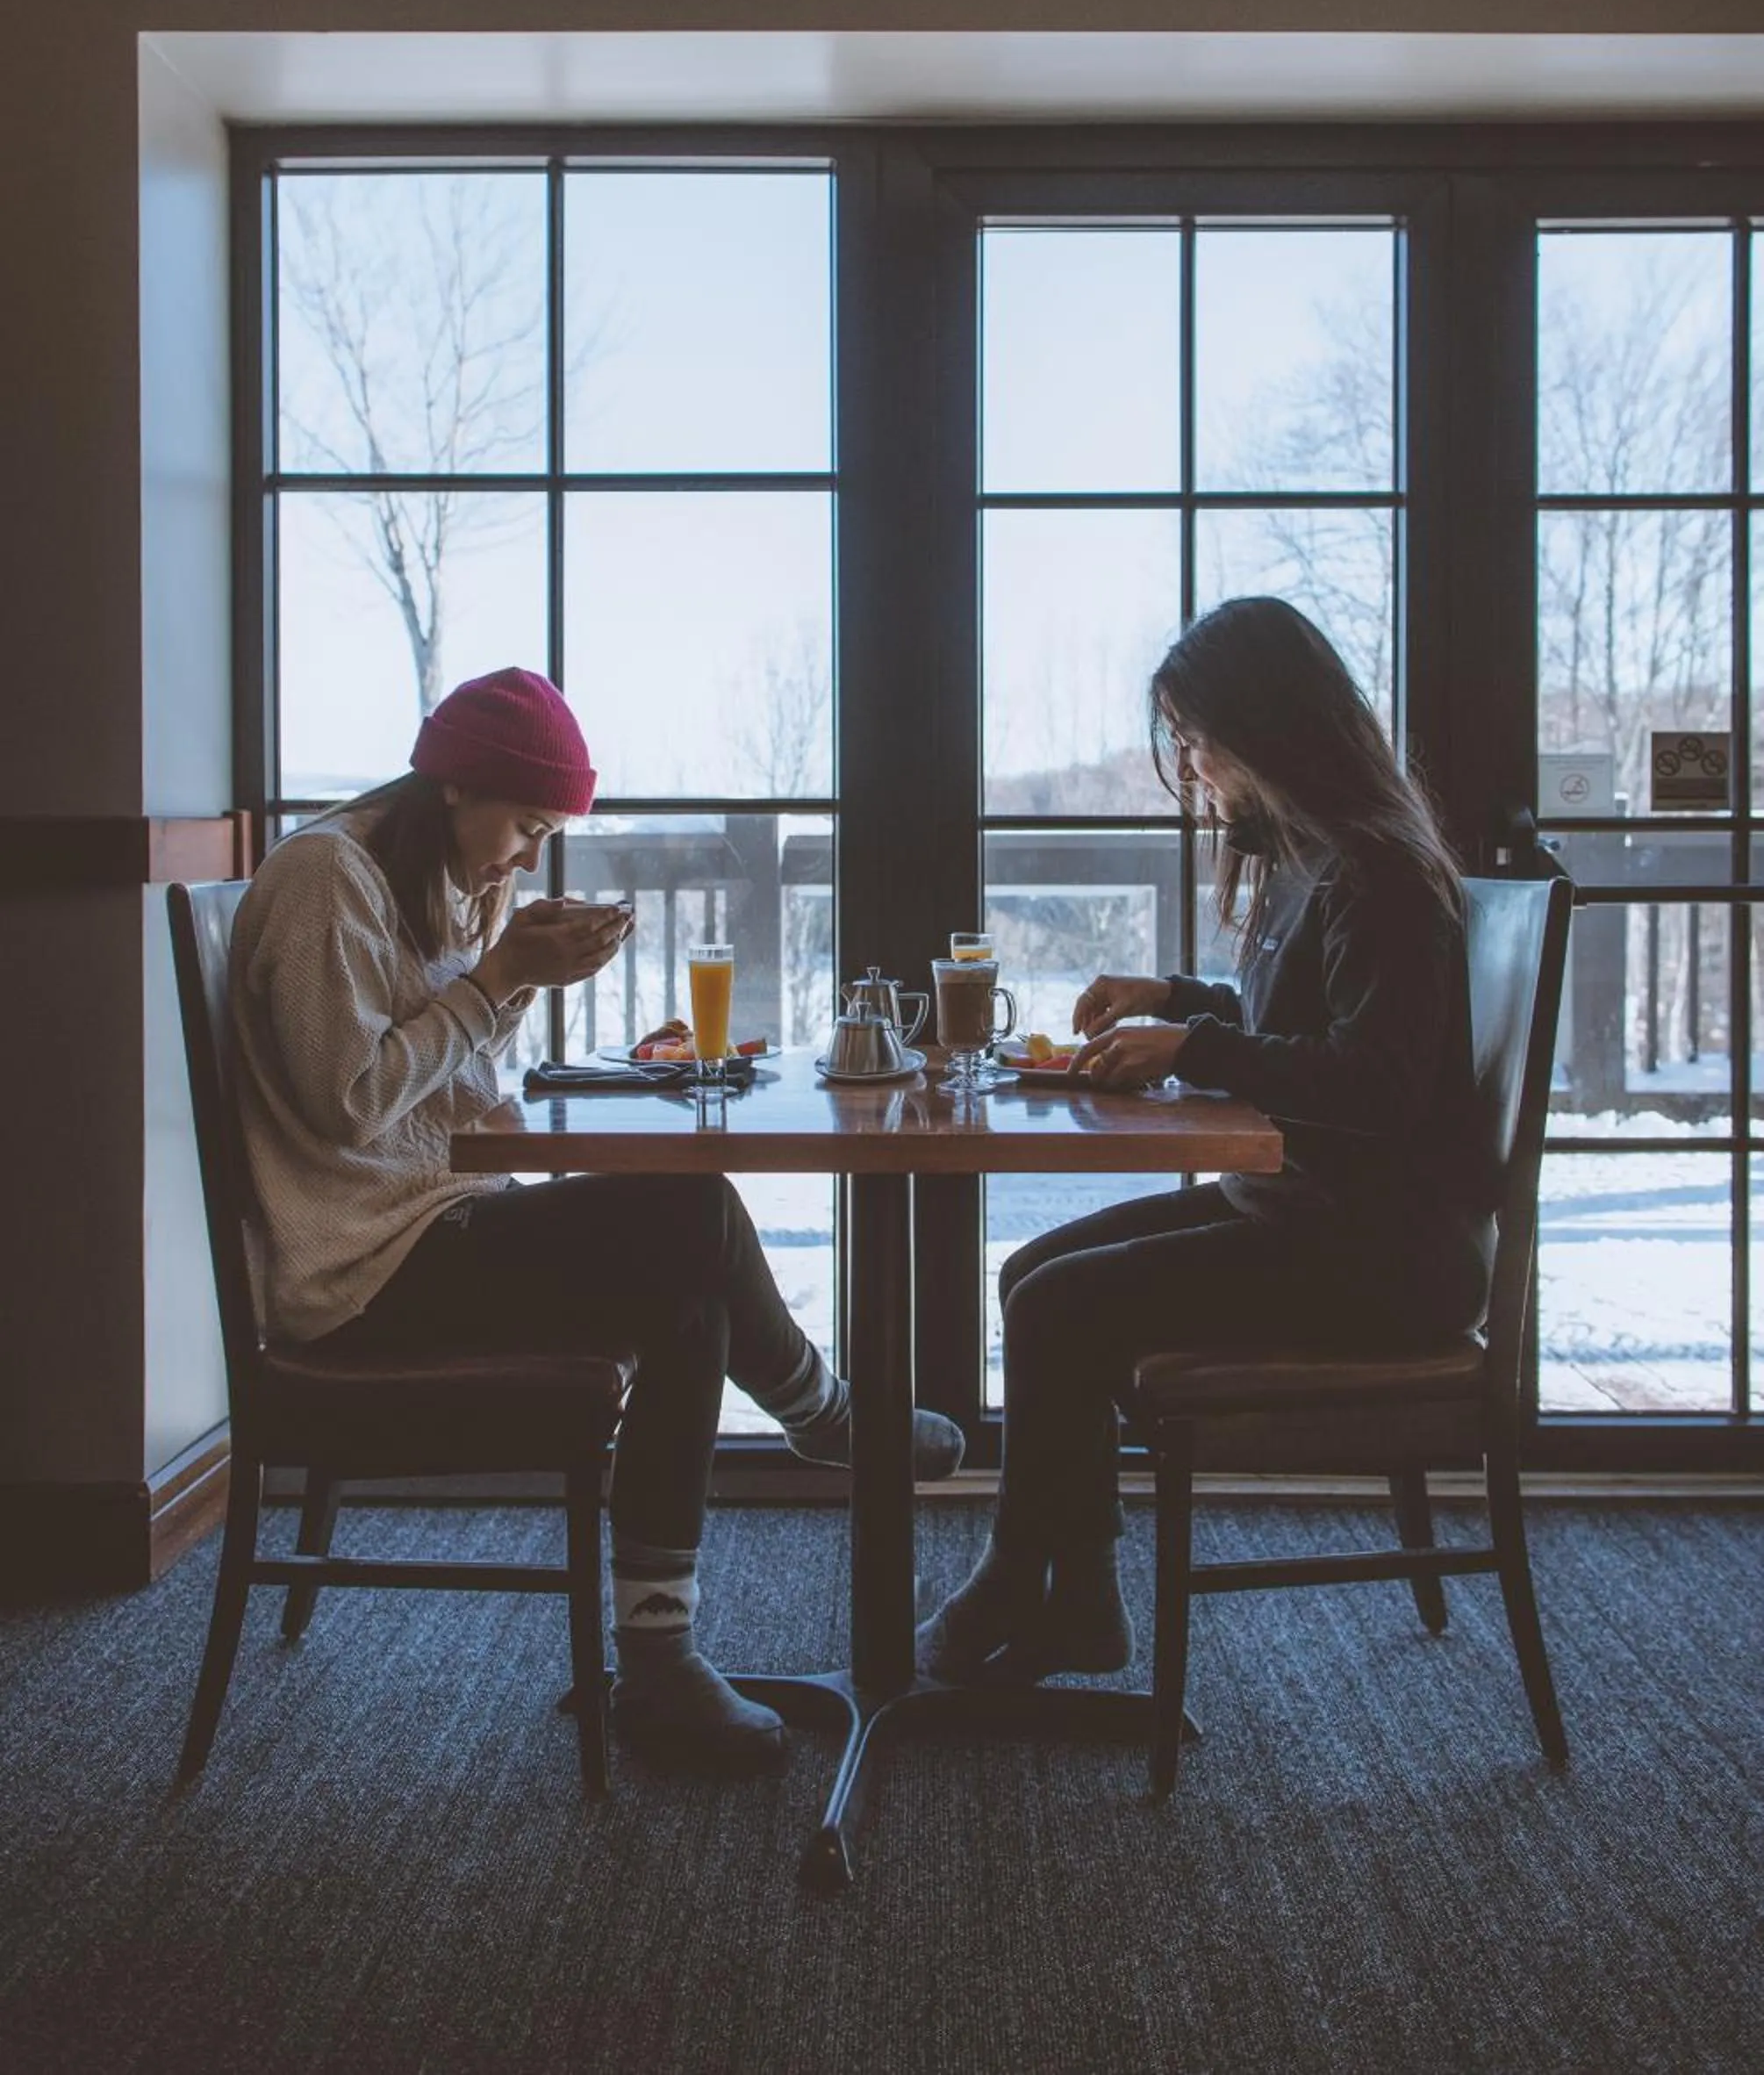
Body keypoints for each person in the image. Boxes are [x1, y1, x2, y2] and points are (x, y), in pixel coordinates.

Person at [230, 666, 964, 1773]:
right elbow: (348, 1105)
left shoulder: (430, 881)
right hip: (360, 1277)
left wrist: (515, 978)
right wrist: (495, 981)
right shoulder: (325, 883)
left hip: (430, 1225)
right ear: (453, 789)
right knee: (691, 1207)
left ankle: (661, 1659)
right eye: (525, 826)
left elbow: (472, 1097)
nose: (527, 855)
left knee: (679, 1277)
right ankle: (826, 1420)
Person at [916, 597, 1489, 1684]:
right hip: (1307, 1206)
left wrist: (1196, 1041)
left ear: (1264, 727)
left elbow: (1379, 1085)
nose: (1191, 766)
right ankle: (1079, 1599)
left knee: (1055, 1302)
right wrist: (1177, 996)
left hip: (1382, 1250)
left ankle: (1014, 1579)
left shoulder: (1380, 874)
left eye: (1197, 737)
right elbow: (1308, 1023)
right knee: (1035, 1269)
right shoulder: (1317, 857)